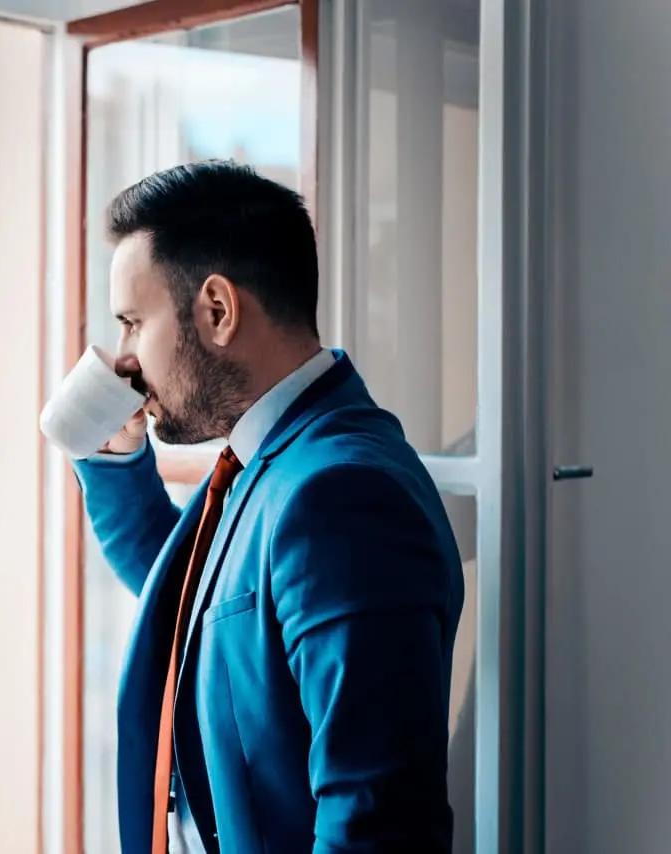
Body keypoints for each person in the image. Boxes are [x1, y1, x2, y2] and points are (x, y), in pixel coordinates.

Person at [74, 161, 463, 853]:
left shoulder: (341, 497)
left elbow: (376, 824)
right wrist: (114, 459)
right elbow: (196, 606)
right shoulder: (269, 462)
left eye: (133, 323)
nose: (123, 359)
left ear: (217, 310)